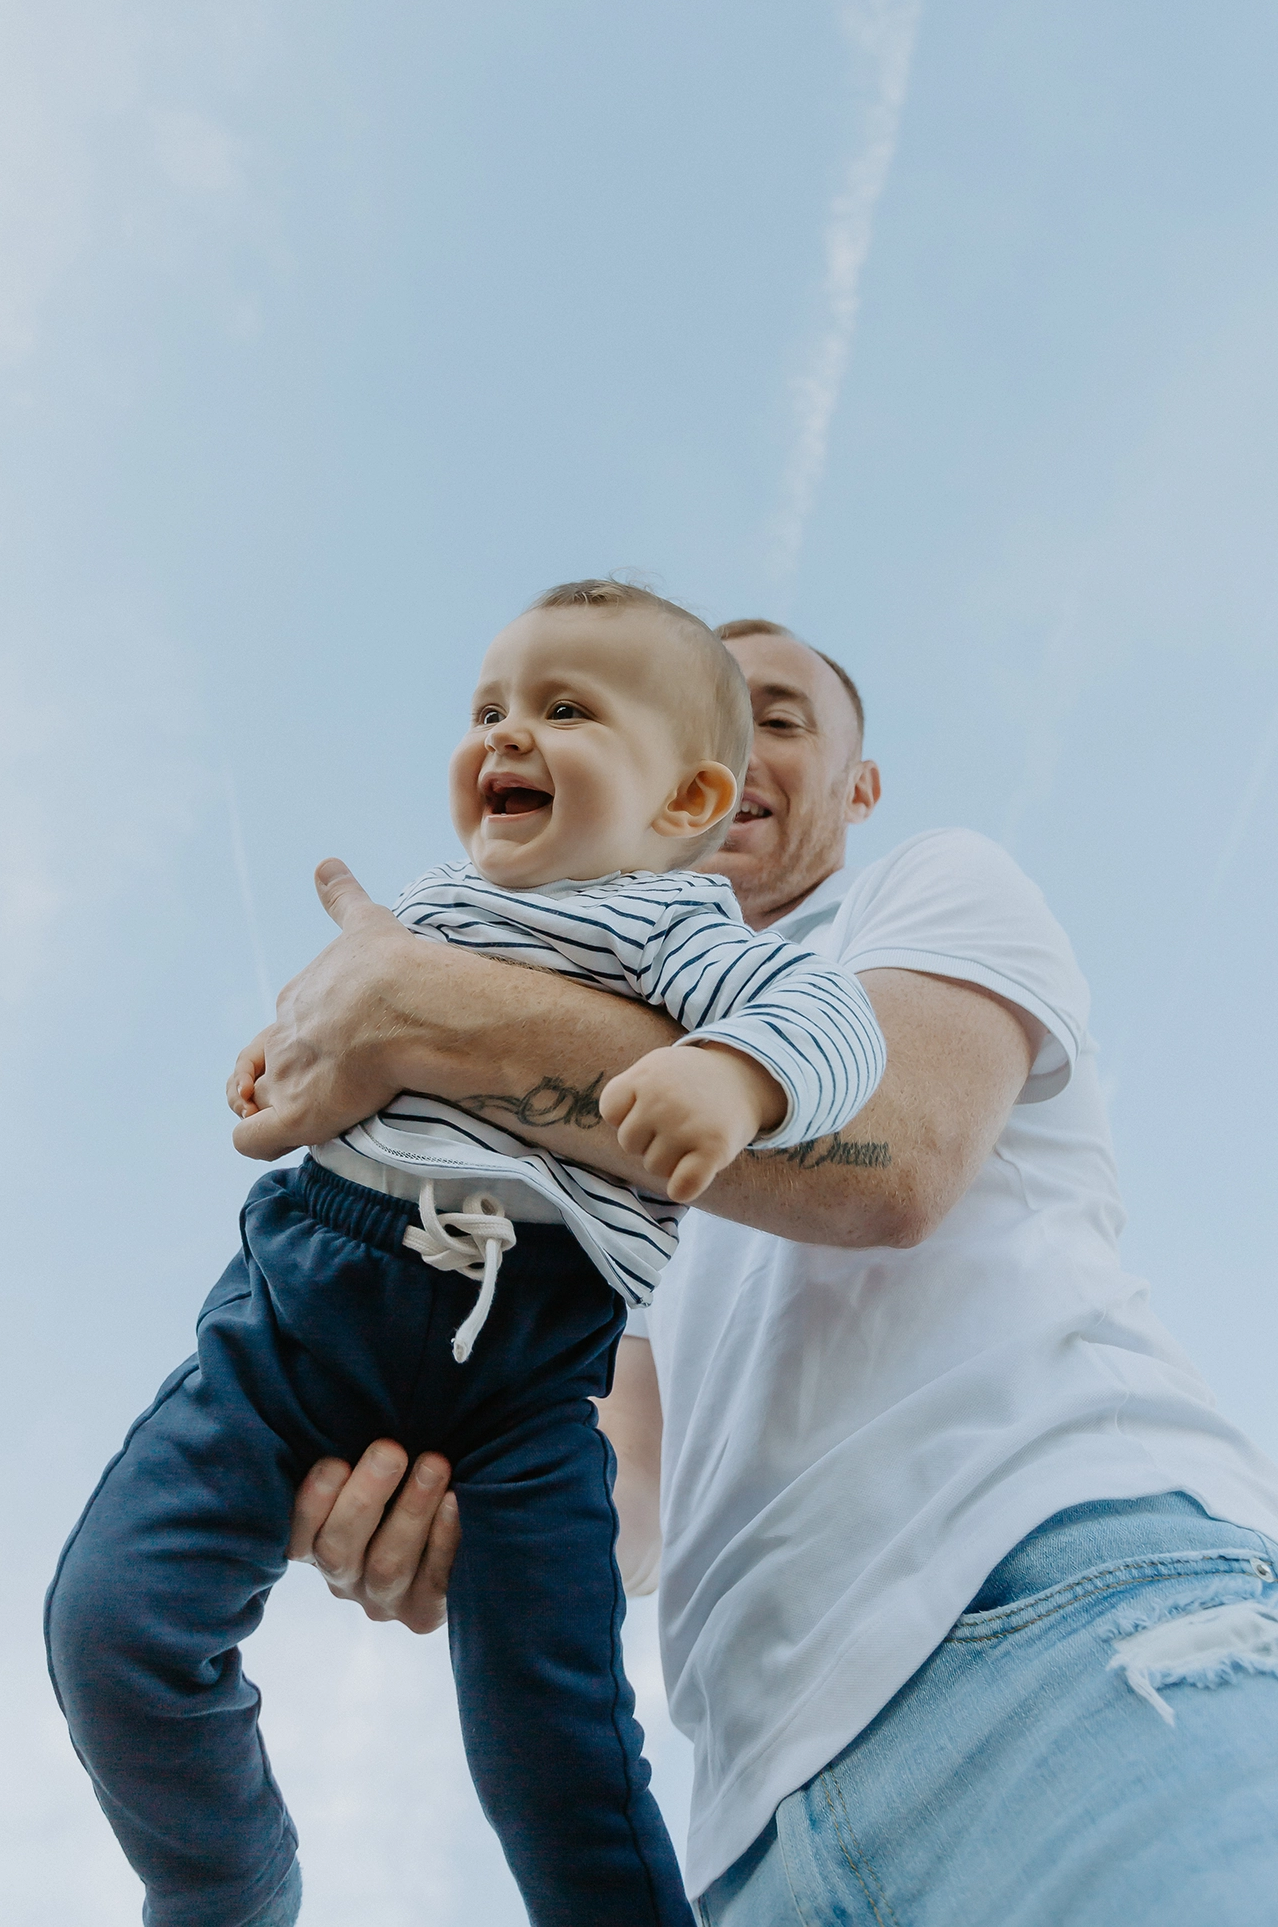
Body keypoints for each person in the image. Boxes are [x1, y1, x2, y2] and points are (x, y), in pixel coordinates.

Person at [235, 617, 1278, 1925]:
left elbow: (893, 1154)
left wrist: (433, 1016)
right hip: (754, 1824)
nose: (736, 752)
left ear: (859, 783)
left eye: (777, 719)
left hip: (1069, 1631)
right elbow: (629, 1499)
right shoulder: (588, 1163)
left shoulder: (922, 889)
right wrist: (457, 1523)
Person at [45, 583, 887, 1927]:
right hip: (300, 1312)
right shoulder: (428, 911)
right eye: (490, 706)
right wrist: (280, 1049)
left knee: (555, 1742)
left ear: (684, 805)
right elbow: (318, 1042)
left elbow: (833, 1029)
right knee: (111, 1625)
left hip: (527, 1379)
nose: (506, 733)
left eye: (565, 709)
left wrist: (734, 1078)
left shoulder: (681, 937)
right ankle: (224, 1878)